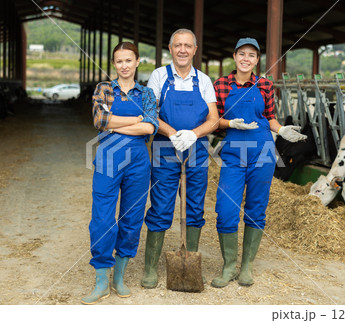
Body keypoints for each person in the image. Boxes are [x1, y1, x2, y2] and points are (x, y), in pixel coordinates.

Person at [211, 38, 306, 288]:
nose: (246, 58)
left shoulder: (265, 85)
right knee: (225, 209)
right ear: (234, 56)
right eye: (241, 53)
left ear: (256, 60)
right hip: (233, 150)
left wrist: (282, 129)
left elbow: (270, 117)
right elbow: (213, 120)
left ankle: (246, 266)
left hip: (262, 149)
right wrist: (230, 123)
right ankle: (229, 265)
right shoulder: (220, 84)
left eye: (251, 55)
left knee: (256, 207)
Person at [141, 28, 219, 288]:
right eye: (178, 45)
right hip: (165, 148)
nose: (183, 50)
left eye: (188, 45)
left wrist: (193, 134)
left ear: (195, 50)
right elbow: (149, 113)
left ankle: (190, 259)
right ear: (171, 49)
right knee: (161, 207)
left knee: (194, 207)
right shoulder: (159, 76)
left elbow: (214, 119)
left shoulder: (204, 80)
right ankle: (151, 268)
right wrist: (173, 133)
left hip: (196, 150)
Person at [82, 42, 158, 304]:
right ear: (114, 64)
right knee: (102, 217)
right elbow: (99, 121)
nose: (124, 65)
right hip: (108, 158)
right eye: (119, 61)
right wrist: (135, 121)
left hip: (138, 161)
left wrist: (115, 124)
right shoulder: (104, 89)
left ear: (137, 62)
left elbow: (150, 128)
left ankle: (119, 277)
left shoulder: (147, 93)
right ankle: (102, 279)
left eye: (129, 60)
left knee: (132, 216)